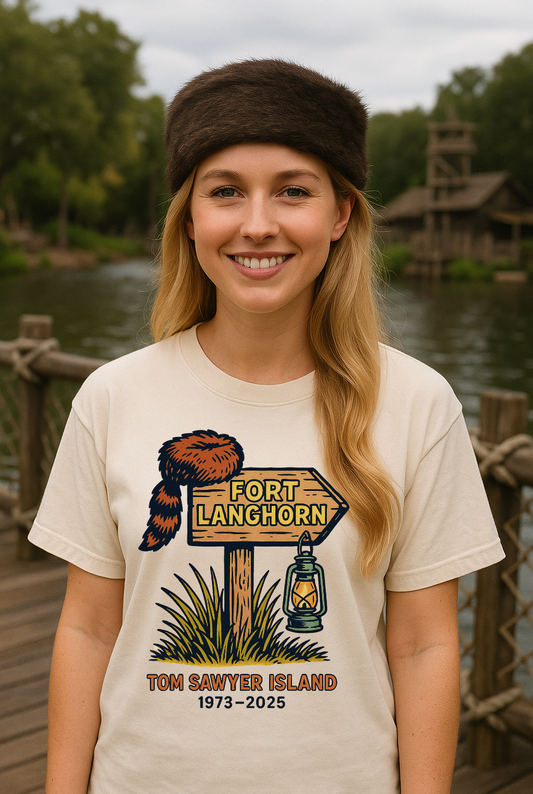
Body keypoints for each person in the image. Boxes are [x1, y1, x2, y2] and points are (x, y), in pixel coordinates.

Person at [29, 59, 504, 794]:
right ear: (189, 219)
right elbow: (88, 629)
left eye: (292, 191)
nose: (258, 224)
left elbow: (424, 646)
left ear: (340, 214)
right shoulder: (112, 397)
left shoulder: (416, 403)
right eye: (225, 192)